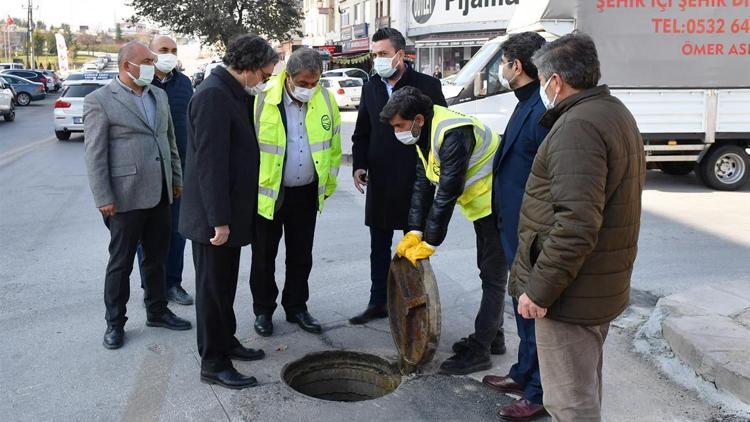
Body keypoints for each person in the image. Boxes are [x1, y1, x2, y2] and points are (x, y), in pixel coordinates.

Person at [508, 33, 645, 421]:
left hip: (570, 295)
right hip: (593, 285)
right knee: (583, 388)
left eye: (543, 79)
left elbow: (576, 224)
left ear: (556, 81)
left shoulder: (577, 128)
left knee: (569, 401)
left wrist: (538, 290)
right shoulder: (611, 111)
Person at [381, 86, 504, 375]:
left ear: (418, 119)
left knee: (493, 275)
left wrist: (431, 240)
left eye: (399, 125)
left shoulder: (452, 133)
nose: (396, 131)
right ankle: (492, 336)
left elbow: (447, 191)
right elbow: (423, 183)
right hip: (484, 203)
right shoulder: (426, 134)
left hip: (501, 202)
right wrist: (413, 231)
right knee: (488, 271)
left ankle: (481, 350)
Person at [180, 34, 278, 389]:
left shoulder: (231, 92)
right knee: (211, 290)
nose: (265, 81)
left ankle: (228, 342)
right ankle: (213, 362)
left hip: (229, 215)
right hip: (213, 219)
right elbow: (211, 164)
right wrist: (219, 220)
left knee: (223, 287)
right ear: (248, 68)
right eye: (264, 75)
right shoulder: (213, 96)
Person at [83, 41, 192, 350]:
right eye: (146, 60)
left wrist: (176, 178)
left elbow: (168, 139)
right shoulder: (100, 100)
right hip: (124, 197)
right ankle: (114, 323)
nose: (152, 64)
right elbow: (95, 155)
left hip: (160, 193)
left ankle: (157, 310)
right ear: (126, 65)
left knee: (157, 258)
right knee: (121, 263)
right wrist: (103, 197)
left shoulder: (158, 95)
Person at [349, 28, 446, 325]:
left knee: (413, 248)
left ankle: (414, 305)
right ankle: (378, 300)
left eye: (383, 54)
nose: (377, 60)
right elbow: (362, 132)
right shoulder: (371, 87)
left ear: (400, 55)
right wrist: (359, 164)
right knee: (378, 246)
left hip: (415, 180)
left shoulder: (427, 85)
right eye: (374, 55)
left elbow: (440, 132)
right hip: (380, 179)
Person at [480, 32, 549, 421]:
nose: (502, 69)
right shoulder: (526, 101)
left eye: (504, 62)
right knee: (518, 303)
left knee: (531, 307)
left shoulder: (540, 105)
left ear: (517, 66)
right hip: (515, 226)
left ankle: (539, 391)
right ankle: (524, 373)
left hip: (530, 229)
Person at [249, 47, 341, 337]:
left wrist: (327, 186)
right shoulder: (262, 98)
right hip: (270, 195)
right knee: (264, 256)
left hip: (306, 193)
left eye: (314, 83)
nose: (309, 90)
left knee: (301, 255)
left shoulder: (325, 98)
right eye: (303, 84)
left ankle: (297, 306)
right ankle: (263, 310)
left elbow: (334, 145)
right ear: (288, 77)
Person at [134, 35, 194, 305]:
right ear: (151, 53)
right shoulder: (141, 82)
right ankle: (151, 288)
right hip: (146, 174)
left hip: (178, 172)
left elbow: (190, 126)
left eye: (173, 50)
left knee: (177, 233)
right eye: (163, 50)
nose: (169, 55)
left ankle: (173, 284)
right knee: (145, 238)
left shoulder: (184, 84)